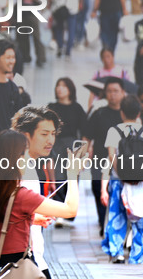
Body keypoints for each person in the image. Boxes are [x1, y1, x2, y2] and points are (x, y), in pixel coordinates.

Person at [0, 130, 80, 274]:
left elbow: (6, 218)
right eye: (25, 153)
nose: (29, 159)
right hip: (22, 268)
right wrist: (72, 175)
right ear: (14, 159)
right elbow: (70, 210)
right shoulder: (22, 195)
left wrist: (31, 219)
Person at [100, 95, 143, 264]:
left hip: (119, 182)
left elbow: (110, 157)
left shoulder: (113, 131)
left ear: (121, 113)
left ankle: (116, 253)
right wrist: (142, 174)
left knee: (118, 219)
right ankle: (142, 254)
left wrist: (120, 177)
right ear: (138, 113)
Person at [83, 77, 125, 236]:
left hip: (123, 162)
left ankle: (116, 225)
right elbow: (87, 137)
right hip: (100, 160)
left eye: (116, 91)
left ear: (123, 92)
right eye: (109, 91)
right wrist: (82, 156)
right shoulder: (99, 113)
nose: (112, 95)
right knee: (98, 190)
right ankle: (104, 223)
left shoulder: (127, 113)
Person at [48, 78, 87, 212]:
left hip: (72, 145)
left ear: (70, 89)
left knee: (72, 177)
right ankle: (59, 209)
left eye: (63, 86)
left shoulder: (77, 108)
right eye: (58, 86)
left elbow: (84, 131)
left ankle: (70, 212)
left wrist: (83, 152)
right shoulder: (52, 107)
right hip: (55, 144)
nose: (60, 89)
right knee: (58, 176)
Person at [17, 0, 47, 68]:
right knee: (22, 36)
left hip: (33, 12)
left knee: (36, 36)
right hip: (21, 12)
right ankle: (25, 56)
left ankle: (40, 58)